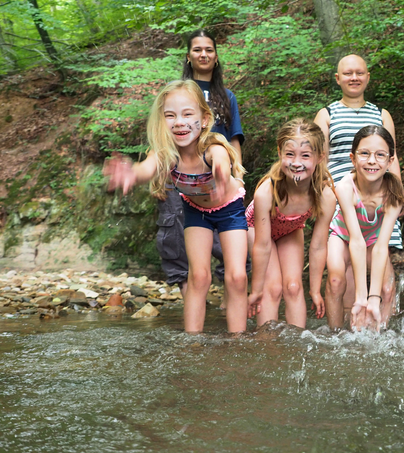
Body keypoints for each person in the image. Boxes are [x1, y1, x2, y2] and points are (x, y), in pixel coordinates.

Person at [105, 80, 249, 333]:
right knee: (198, 276)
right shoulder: (165, 153)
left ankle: (237, 338)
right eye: (170, 116)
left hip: (229, 210)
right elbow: (146, 169)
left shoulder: (212, 147)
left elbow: (221, 160)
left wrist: (221, 172)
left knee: (236, 276)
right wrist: (130, 175)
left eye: (187, 114)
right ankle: (191, 340)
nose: (179, 122)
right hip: (196, 211)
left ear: (204, 120)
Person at [156, 29, 245, 297]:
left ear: (216, 57)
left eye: (209, 49)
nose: (203, 54)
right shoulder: (176, 93)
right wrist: (158, 177)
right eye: (197, 49)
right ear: (188, 56)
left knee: (228, 242)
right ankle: (193, 308)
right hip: (178, 176)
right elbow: (160, 134)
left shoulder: (226, 97)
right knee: (176, 237)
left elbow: (234, 140)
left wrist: (237, 177)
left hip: (217, 178)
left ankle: (226, 307)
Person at [245, 118, 337, 329]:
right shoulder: (266, 192)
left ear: (320, 157)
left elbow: (318, 245)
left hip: (290, 229)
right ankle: (266, 341)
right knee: (274, 287)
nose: (297, 163)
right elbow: (262, 245)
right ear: (279, 153)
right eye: (290, 154)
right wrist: (256, 290)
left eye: (305, 156)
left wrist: (314, 289)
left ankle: (297, 346)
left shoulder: (325, 196)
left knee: (294, 287)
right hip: (256, 230)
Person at [314, 54, 404, 249]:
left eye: (359, 73)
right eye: (348, 73)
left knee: (380, 260)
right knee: (340, 273)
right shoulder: (326, 115)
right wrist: (325, 194)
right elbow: (319, 161)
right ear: (338, 79)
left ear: (368, 77)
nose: (354, 77)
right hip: (339, 199)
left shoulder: (381, 115)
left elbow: (392, 158)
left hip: (378, 198)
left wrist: (399, 194)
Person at [325, 125, 404, 332]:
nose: (372, 161)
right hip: (344, 237)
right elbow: (356, 241)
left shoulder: (393, 195)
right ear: (353, 158)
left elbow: (380, 246)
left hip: (373, 240)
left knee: (387, 289)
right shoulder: (345, 188)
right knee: (336, 279)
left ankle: (378, 331)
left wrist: (373, 298)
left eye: (380, 155)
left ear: (390, 161)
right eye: (365, 154)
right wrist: (362, 297)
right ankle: (336, 334)